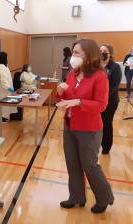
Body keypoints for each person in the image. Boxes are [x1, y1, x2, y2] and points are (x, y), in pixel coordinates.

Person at [56, 39, 114, 214]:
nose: (73, 56)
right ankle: (76, 197)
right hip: (70, 125)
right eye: (73, 51)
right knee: (72, 164)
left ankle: (104, 198)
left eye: (77, 52)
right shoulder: (73, 74)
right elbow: (65, 100)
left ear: (89, 55)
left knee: (89, 165)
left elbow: (101, 105)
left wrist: (79, 101)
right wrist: (60, 93)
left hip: (89, 129)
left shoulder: (99, 76)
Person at [100, 44, 122, 154]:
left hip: (110, 101)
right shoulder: (96, 66)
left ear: (110, 54)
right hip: (97, 101)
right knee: (97, 123)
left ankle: (106, 146)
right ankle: (97, 143)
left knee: (106, 123)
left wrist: (102, 97)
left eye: (105, 51)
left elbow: (114, 86)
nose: (102, 52)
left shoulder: (115, 67)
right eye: (100, 50)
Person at [0, 52, 17, 122]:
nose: (7, 59)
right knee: (3, 105)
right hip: (2, 90)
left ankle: (0, 117)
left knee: (0, 105)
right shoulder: (1, 68)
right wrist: (9, 88)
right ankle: (1, 119)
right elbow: (3, 80)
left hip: (0, 90)